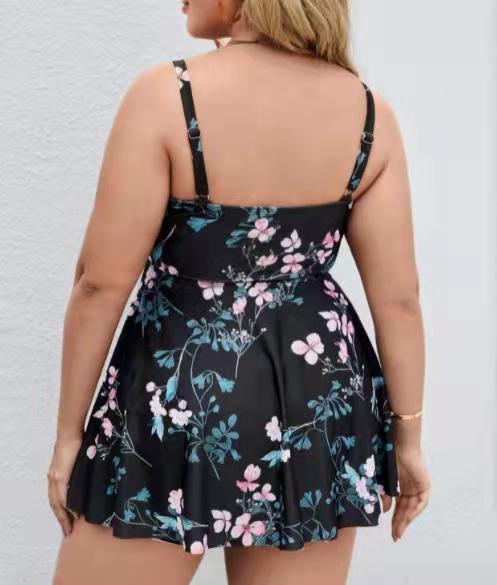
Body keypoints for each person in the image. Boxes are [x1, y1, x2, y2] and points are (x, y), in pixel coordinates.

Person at [49, 1, 430, 584]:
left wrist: (68, 436)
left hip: (179, 387)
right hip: (315, 398)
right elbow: (399, 300)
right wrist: (408, 441)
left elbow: (100, 283)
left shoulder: (168, 95)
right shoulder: (369, 112)